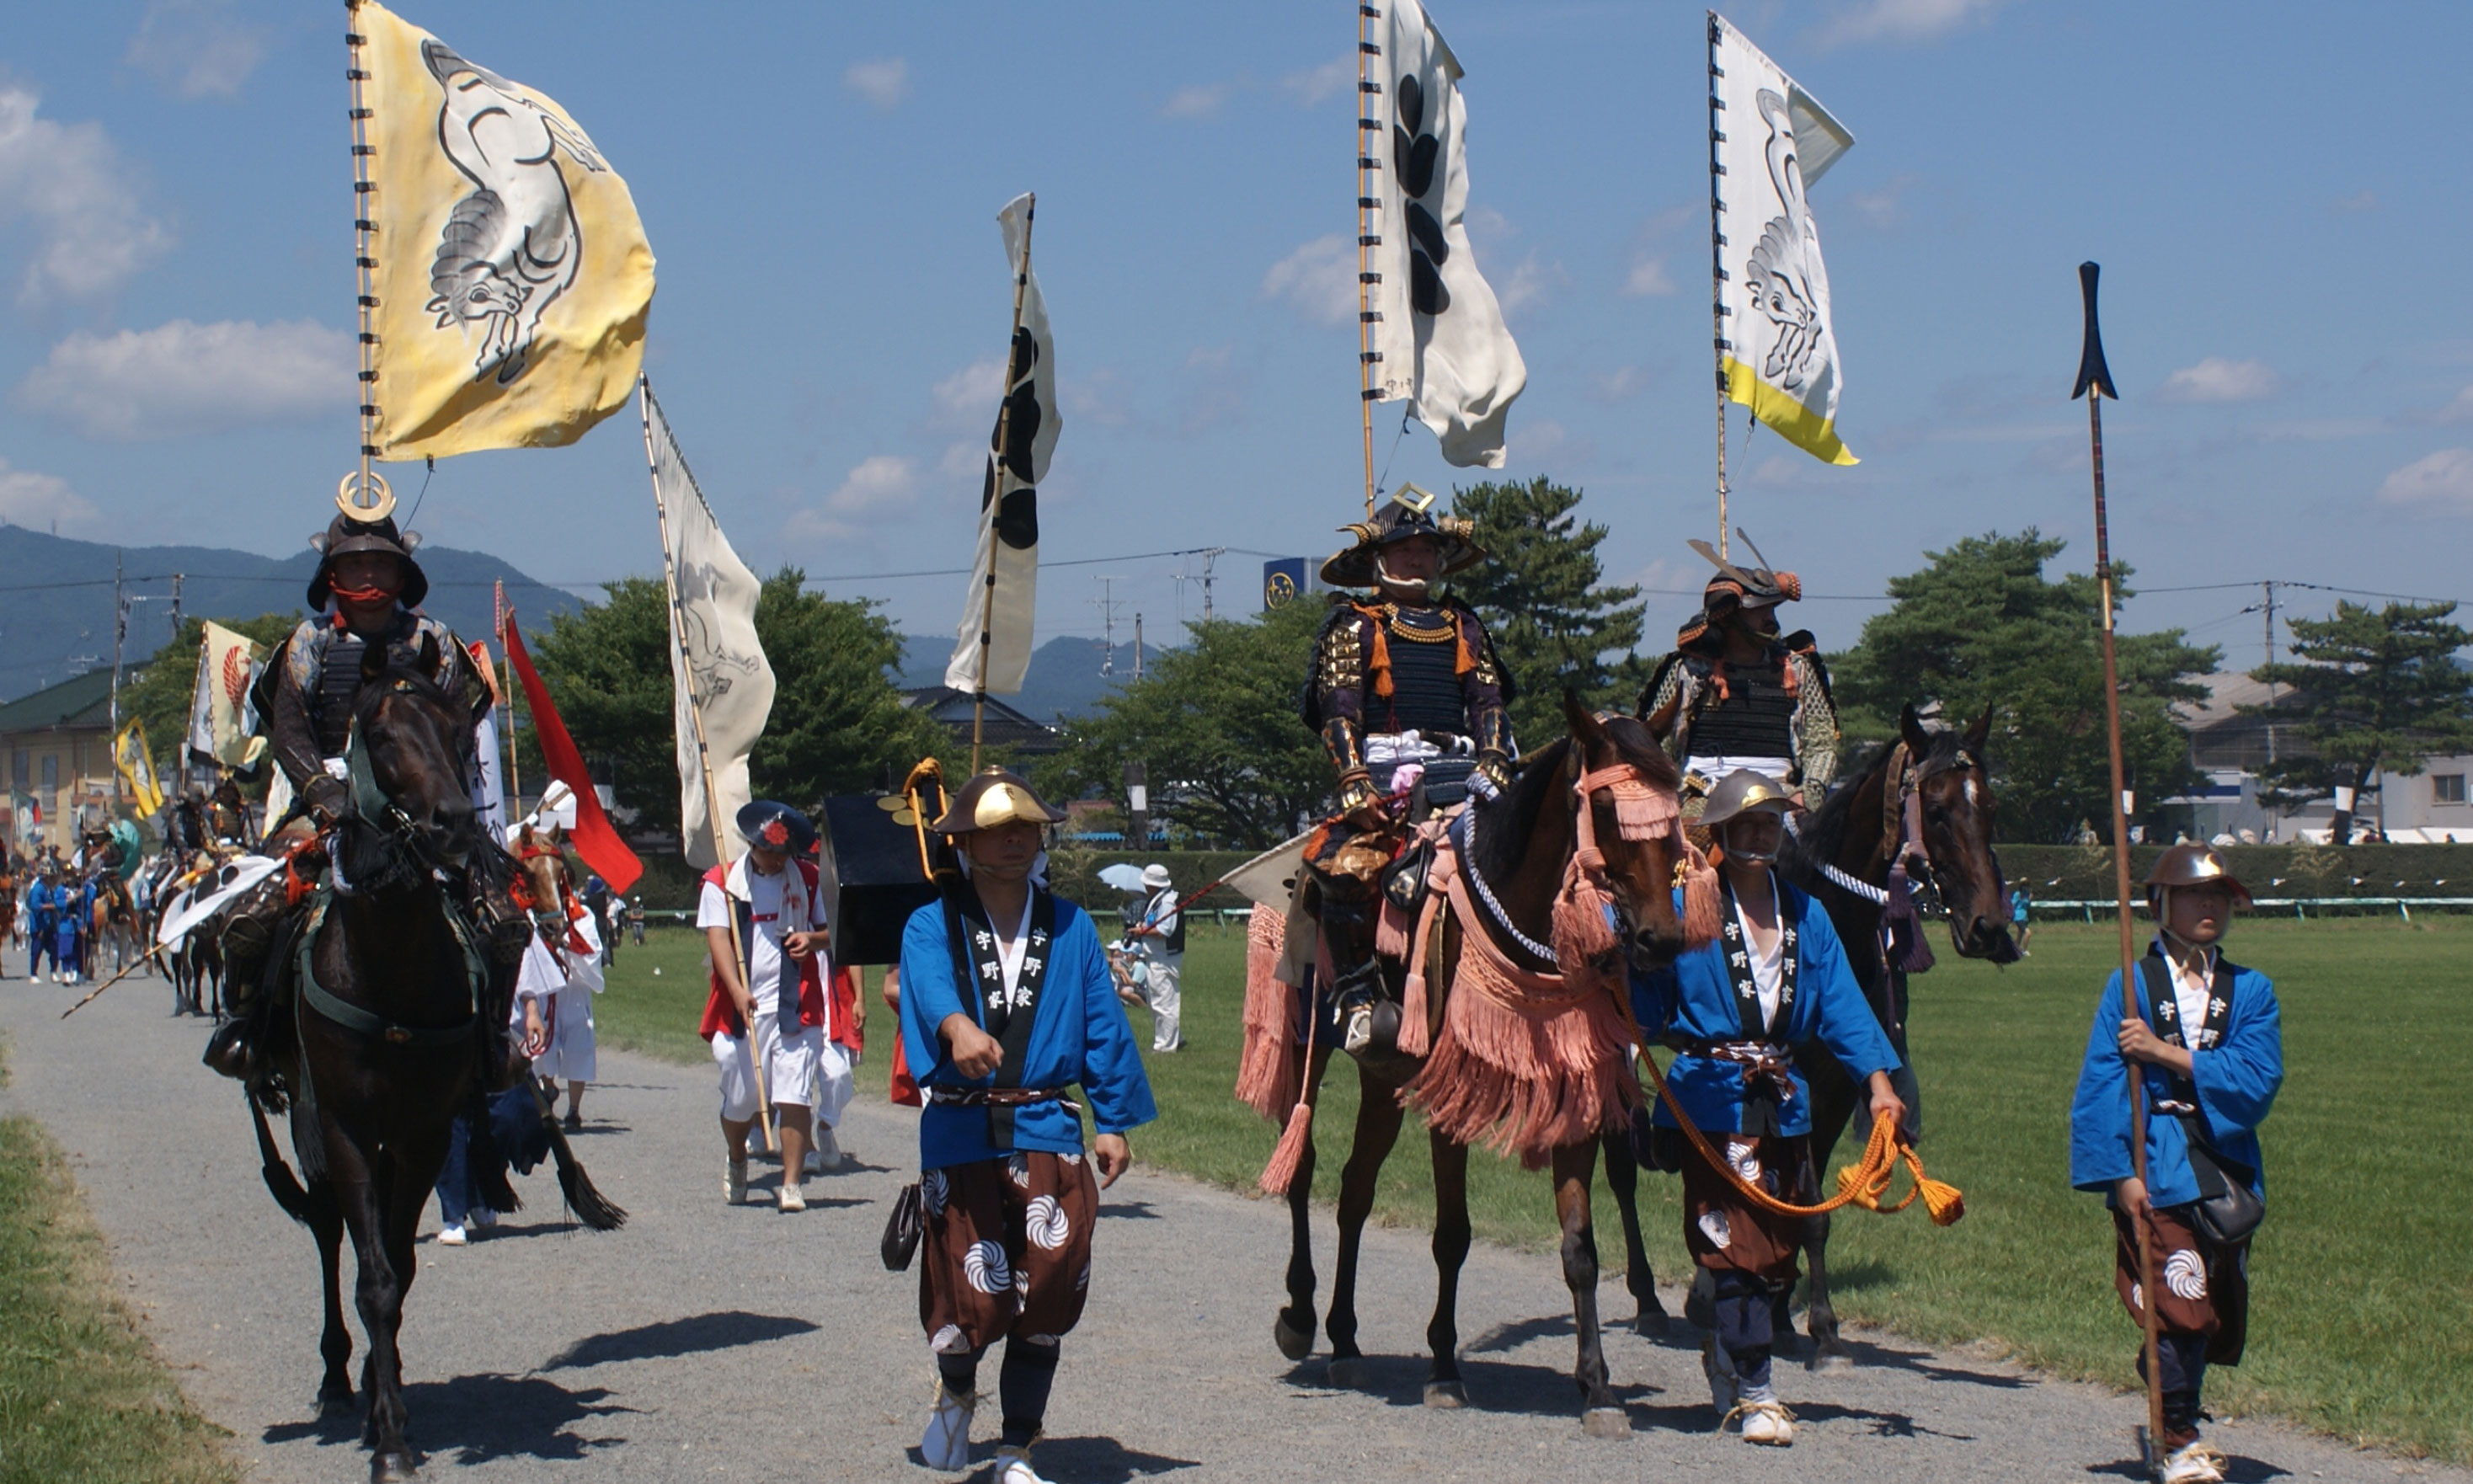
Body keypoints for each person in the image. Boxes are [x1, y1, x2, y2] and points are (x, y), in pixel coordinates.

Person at [204, 508, 526, 1089]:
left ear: (404, 572)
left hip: (422, 804)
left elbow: (460, 718)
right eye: (357, 564)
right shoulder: (307, 644)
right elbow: (289, 729)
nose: (371, 575)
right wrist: (324, 794)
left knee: (502, 917)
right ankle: (245, 1026)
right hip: (325, 802)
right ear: (332, 574)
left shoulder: (435, 642)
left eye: (382, 561)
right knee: (255, 913)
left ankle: (493, 1044)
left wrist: (432, 788)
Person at [1628, 771, 1904, 1446]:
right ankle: (1757, 1389)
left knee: (1780, 1250)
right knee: (1733, 1242)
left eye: (1770, 822)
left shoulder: (1806, 914)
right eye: (1746, 824)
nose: (1759, 833)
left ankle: (1729, 1350)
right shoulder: (1686, 906)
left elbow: (1842, 1004)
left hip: (1783, 1098)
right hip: (1710, 1095)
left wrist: (1878, 1084)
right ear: (1718, 834)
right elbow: (1643, 984)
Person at [900, 769, 1156, 1484]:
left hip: (1046, 1121)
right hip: (961, 1128)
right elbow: (926, 987)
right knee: (969, 1289)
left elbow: (1103, 1025)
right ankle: (955, 1392)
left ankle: (1017, 1448)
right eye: (998, 829)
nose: (1016, 840)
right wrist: (956, 1028)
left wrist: (1112, 1120)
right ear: (965, 841)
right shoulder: (931, 922)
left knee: (1048, 1285)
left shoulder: (1071, 925)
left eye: (1028, 828)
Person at [2070, 846, 2282, 1484]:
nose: (2210, 906)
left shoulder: (2252, 990)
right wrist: (2120, 1174)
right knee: (2180, 1298)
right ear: (2161, 905)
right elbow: (2101, 1085)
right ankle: (2181, 1440)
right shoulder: (2129, 986)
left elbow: (2258, 1079)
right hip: (2155, 1160)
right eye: (2195, 895)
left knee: (2212, 1309)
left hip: (2224, 1165)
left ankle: (2171, 1390)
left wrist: (2167, 1053)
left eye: (2219, 895)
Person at [1300, 487, 1515, 1058]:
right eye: (1405, 549)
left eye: (1426, 549)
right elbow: (1337, 711)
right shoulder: (1353, 626)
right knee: (1344, 865)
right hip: (1383, 773)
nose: (1417, 559)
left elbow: (1489, 703)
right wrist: (1354, 785)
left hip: (1465, 772)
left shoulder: (1465, 626)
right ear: (1379, 559)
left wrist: (1495, 757)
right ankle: (1356, 994)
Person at [697, 800, 848, 1209]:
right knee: (742, 1099)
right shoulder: (722, 883)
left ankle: (792, 1183)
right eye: (770, 852)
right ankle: (737, 1157)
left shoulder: (811, 880)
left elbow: (834, 932)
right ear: (752, 845)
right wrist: (736, 990)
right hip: (742, 1007)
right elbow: (718, 940)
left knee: (794, 1094)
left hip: (796, 1006)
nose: (778, 860)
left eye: (784, 854)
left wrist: (812, 941)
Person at [1637, 534, 1838, 818]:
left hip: (1782, 801)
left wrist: (1809, 793)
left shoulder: (1799, 669)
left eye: (1772, 608)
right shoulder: (1689, 671)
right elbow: (1655, 744)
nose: (1770, 618)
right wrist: (1672, 797)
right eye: (1759, 609)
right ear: (1729, 617)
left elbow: (1822, 743)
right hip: (1700, 799)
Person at [1124, 863, 1183, 1053]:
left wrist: (1142, 931)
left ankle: (1165, 1046)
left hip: (1163, 957)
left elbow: (1165, 930)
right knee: (1156, 998)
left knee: (1164, 1001)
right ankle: (1174, 1037)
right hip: (1155, 956)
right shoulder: (1158, 900)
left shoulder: (1166, 902)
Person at [2010, 883, 2035, 957]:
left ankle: (2014, 949)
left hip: (2024, 917)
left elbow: (2027, 905)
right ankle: (2024, 951)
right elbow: (2012, 904)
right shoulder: (2017, 894)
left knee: (2020, 935)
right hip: (2018, 917)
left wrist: (2030, 899)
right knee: (2028, 933)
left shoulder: (2027, 895)